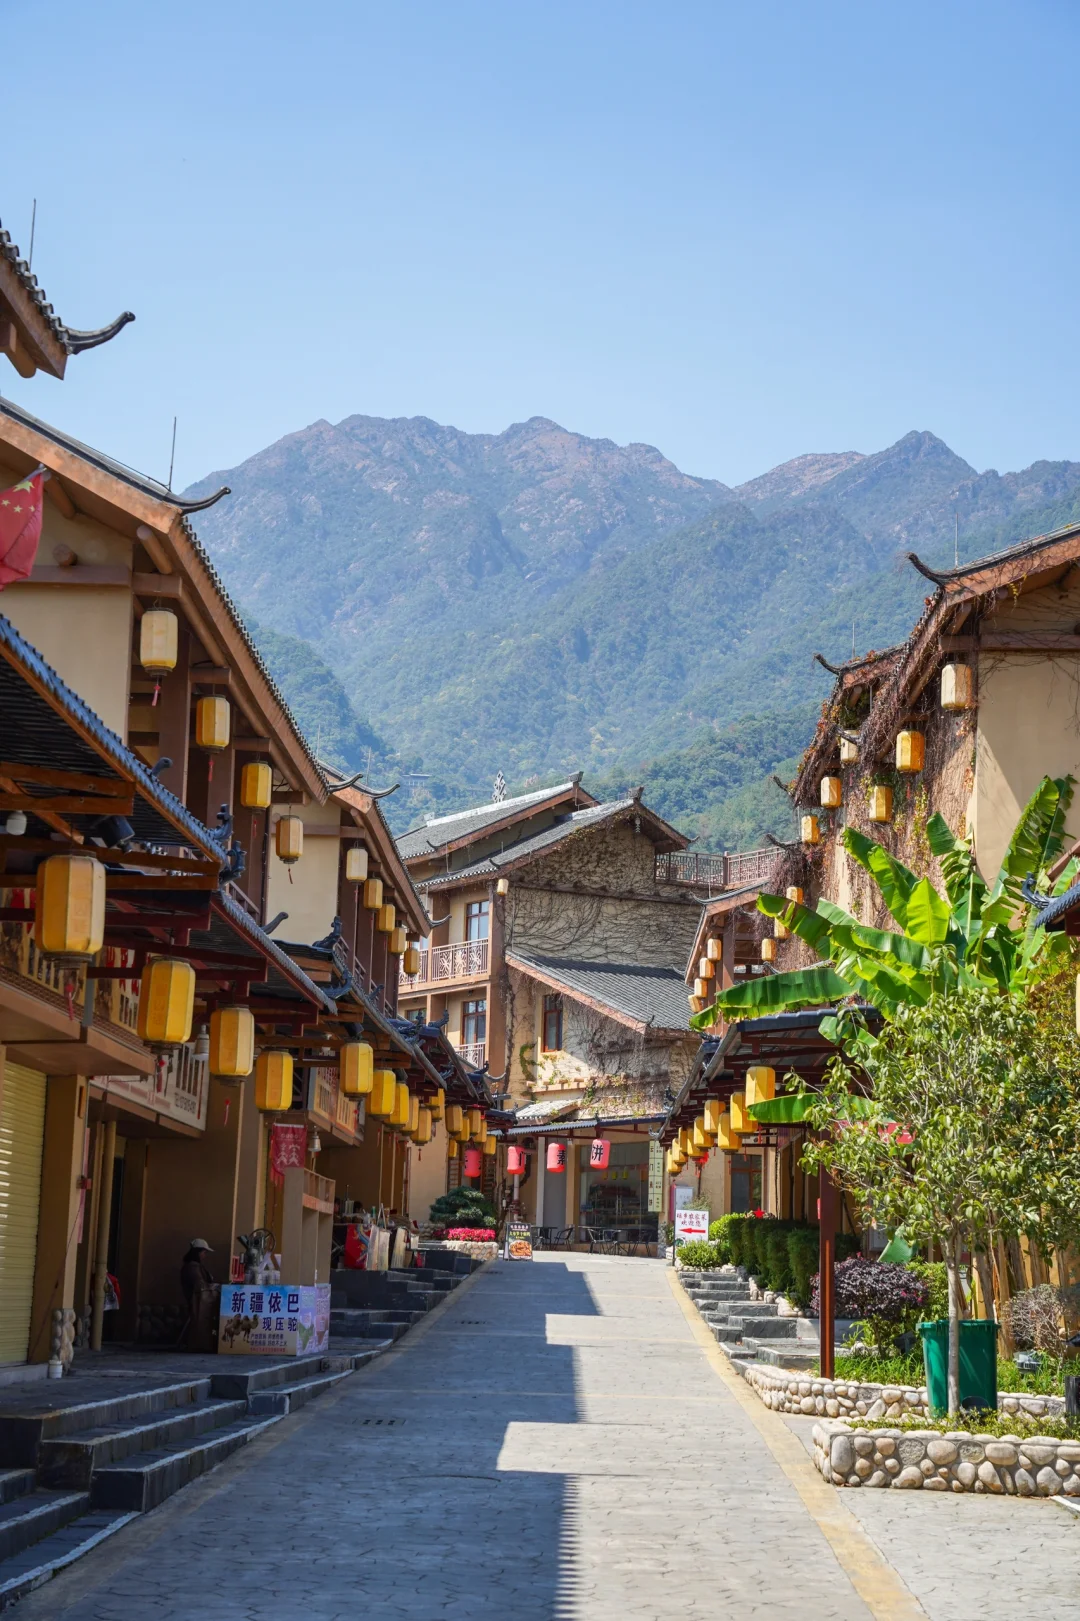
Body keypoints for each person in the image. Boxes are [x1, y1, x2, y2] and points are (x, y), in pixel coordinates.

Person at [180, 1239, 214, 1306]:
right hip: (196, 1305)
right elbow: (200, 1286)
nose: (205, 1256)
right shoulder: (193, 1267)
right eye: (204, 1252)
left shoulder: (192, 1266)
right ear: (198, 1252)